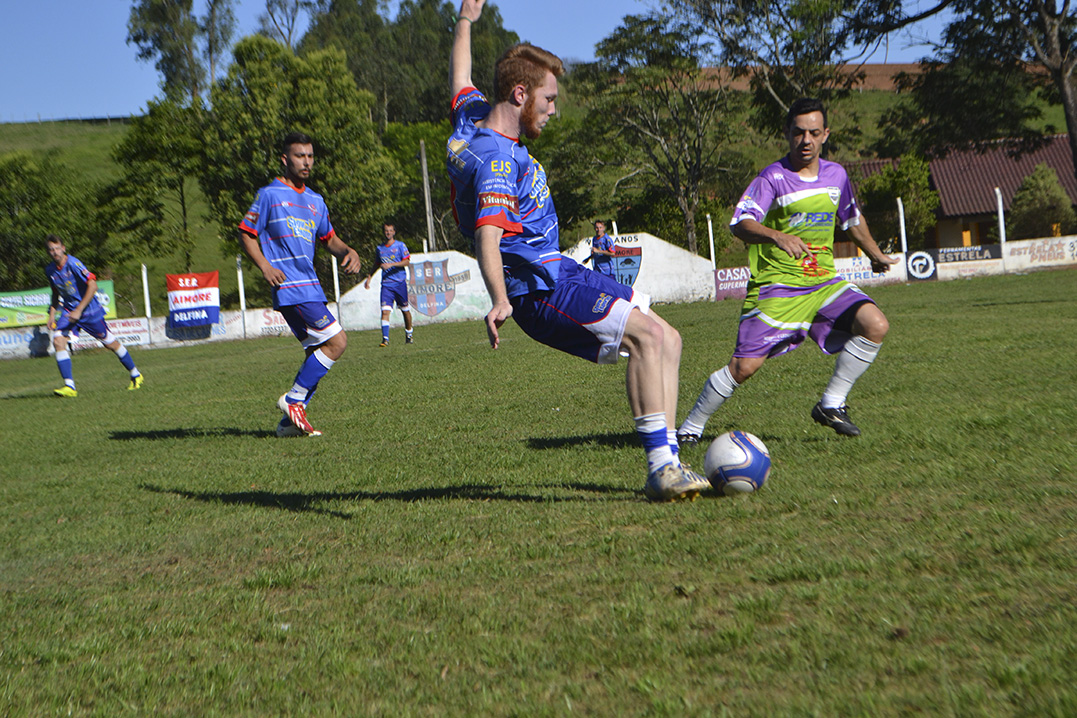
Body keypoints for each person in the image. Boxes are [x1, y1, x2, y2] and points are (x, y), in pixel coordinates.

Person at [446, 0, 710, 501]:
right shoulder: (498, 160)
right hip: (537, 288)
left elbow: (460, 76)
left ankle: (671, 462)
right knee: (648, 338)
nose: (553, 109)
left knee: (668, 339)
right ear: (520, 93)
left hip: (558, 270)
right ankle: (662, 469)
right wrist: (499, 299)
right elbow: (488, 236)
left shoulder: (471, 118)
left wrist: (465, 20)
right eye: (547, 99)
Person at [677, 98, 899, 443]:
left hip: (823, 280)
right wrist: (776, 235)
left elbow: (851, 218)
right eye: (798, 133)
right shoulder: (773, 178)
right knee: (744, 368)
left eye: (813, 132)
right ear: (787, 134)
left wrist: (875, 253)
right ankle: (690, 426)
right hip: (778, 285)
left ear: (826, 134)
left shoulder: (836, 175)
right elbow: (741, 224)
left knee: (875, 324)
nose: (805, 140)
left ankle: (831, 404)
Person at [239, 131, 362, 437]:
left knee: (316, 354)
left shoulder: (315, 201)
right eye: (299, 156)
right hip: (290, 286)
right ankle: (293, 400)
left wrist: (348, 250)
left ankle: (287, 425)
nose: (306, 162)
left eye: (309, 156)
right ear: (285, 159)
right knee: (337, 342)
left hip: (310, 286)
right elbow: (246, 232)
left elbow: (328, 239)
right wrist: (265, 266)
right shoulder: (269, 194)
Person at [44, 234, 143, 397]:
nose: (54, 252)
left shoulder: (74, 264)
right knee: (58, 340)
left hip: (89, 311)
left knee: (109, 343)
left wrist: (79, 310)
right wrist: (52, 314)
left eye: (57, 248)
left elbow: (93, 285)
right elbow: (56, 292)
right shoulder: (50, 270)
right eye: (51, 250)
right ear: (48, 252)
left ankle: (136, 374)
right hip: (69, 311)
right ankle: (70, 386)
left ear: (63, 248)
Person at [364, 222, 414, 346]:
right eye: (386, 230)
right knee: (385, 311)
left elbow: (406, 262)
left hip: (399, 283)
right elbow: (377, 264)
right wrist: (369, 277)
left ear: (394, 232)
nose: (388, 233)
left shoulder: (400, 246)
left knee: (405, 310)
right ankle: (385, 339)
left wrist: (391, 265)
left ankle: (409, 334)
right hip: (386, 284)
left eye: (390, 230)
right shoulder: (380, 249)